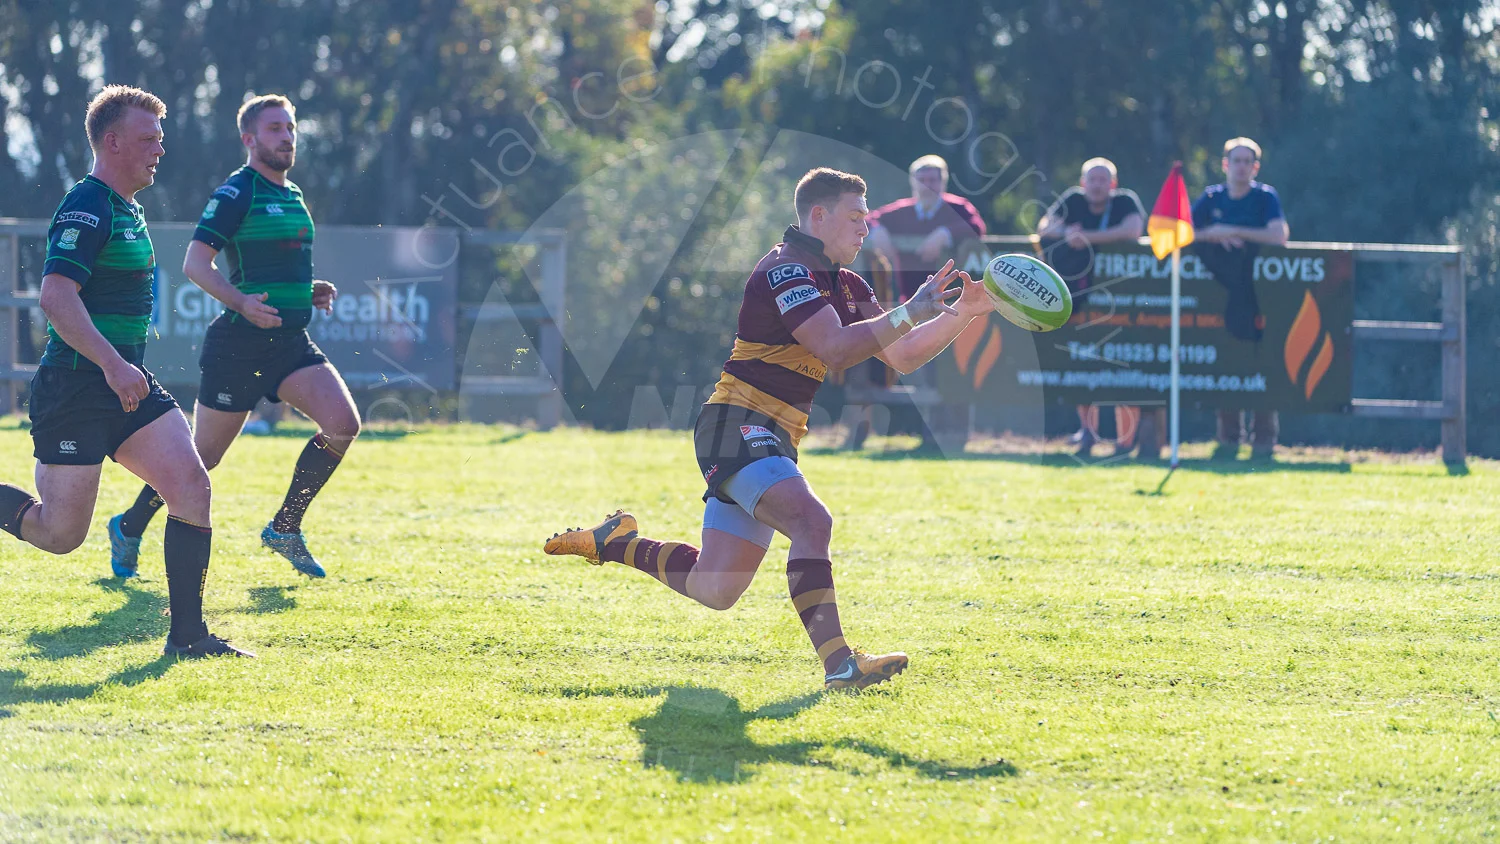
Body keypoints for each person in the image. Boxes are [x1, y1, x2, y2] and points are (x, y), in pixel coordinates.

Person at [544, 168, 993, 690]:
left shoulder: (849, 285)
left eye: (867, 219)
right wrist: (910, 310)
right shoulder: (786, 270)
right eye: (855, 218)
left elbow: (904, 356)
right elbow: (837, 349)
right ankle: (840, 666)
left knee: (716, 587)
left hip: (775, 438)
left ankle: (616, 542)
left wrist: (966, 311)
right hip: (735, 425)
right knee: (812, 521)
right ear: (818, 216)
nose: (864, 229)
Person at [0, 86, 250, 658]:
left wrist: (121, 369)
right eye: (147, 139)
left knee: (190, 485)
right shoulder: (87, 205)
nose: (159, 150)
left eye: (160, 139)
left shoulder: (127, 207)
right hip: (78, 389)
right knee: (61, 535)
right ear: (111, 143)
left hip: (126, 382)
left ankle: (187, 637)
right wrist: (112, 365)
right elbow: (56, 297)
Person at [109, 94, 357, 578]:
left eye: (290, 127)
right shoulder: (236, 192)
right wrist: (242, 303)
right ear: (249, 139)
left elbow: (271, 266)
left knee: (342, 425)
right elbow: (195, 264)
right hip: (238, 348)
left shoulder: (294, 195)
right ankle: (129, 525)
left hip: (289, 342)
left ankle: (285, 526)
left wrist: (307, 290)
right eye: (274, 129)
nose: (286, 136)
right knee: (202, 460)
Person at [864, 155, 987, 450]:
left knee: (953, 371)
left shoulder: (956, 208)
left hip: (953, 307)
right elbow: (870, 218)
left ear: (943, 181)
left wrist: (944, 233)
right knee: (922, 370)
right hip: (913, 305)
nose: (929, 185)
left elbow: (976, 226)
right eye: (923, 179)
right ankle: (927, 436)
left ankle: (954, 437)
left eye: (934, 179)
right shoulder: (903, 211)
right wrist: (877, 231)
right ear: (913, 182)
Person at [1037, 158, 1149, 457]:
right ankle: (1087, 432)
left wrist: (1085, 237)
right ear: (1083, 181)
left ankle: (1126, 441)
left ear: (1113, 184)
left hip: (1121, 302)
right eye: (1092, 179)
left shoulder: (1125, 201)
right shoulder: (1073, 198)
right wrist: (1066, 235)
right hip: (1078, 299)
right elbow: (1045, 227)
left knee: (1123, 367)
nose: (1097, 185)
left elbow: (1133, 229)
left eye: (1103, 180)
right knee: (1080, 363)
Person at [1191, 137, 1290, 461]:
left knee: (1264, 361)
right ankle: (1228, 438)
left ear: (1256, 167)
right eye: (1237, 160)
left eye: (1248, 161)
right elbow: (1180, 233)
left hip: (1262, 295)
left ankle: (1264, 439)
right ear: (1225, 164)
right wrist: (1213, 233)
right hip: (1222, 295)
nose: (1242, 166)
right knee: (1228, 361)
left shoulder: (1265, 197)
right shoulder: (1210, 198)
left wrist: (1233, 229)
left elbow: (1278, 235)